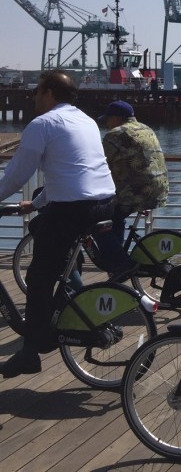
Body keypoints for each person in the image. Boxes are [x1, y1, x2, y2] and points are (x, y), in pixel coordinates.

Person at [0, 71, 117, 377]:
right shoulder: (86, 121)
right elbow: (70, 172)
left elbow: (16, 175)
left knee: (38, 277)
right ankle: (63, 301)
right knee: (40, 228)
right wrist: (37, 204)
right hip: (104, 203)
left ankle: (30, 352)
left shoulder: (43, 123)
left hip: (74, 209)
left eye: (37, 91)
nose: (33, 97)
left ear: (49, 93)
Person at [96, 100, 169, 274]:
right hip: (159, 189)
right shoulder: (146, 128)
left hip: (136, 192)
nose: (107, 124)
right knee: (115, 217)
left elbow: (98, 162)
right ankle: (118, 262)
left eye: (108, 119)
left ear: (115, 118)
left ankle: (121, 264)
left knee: (97, 222)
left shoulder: (115, 135)